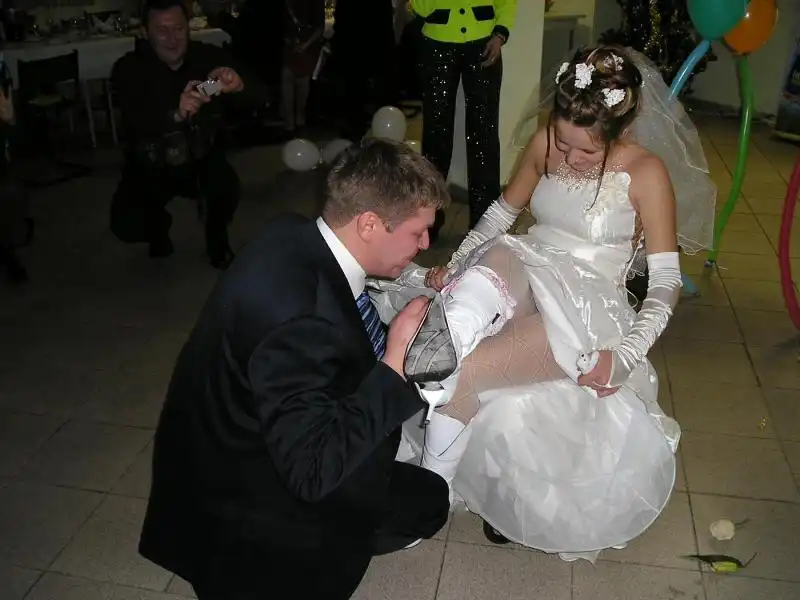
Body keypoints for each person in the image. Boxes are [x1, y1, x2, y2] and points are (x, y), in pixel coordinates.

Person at [370, 46, 716, 562]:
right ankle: (451, 331)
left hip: (583, 309)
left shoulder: (646, 173)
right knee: (505, 251)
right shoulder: (545, 142)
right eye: (562, 141)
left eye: (585, 152)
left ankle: (426, 502)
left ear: (619, 130)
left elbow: (665, 281)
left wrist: (625, 355)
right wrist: (457, 264)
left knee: (467, 374)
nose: (568, 158)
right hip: (528, 266)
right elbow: (500, 216)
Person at [138, 138, 452, 599]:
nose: (425, 243)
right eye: (417, 232)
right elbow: (311, 472)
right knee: (421, 502)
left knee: (427, 496)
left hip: (233, 451)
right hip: (252, 506)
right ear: (368, 224)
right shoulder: (300, 322)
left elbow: (330, 344)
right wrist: (393, 363)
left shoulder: (290, 233)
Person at [110, 0, 264, 269]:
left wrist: (235, 84)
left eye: (179, 28)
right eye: (162, 30)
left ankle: (217, 239)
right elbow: (137, 117)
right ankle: (158, 229)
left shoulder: (206, 57)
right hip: (152, 162)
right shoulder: (128, 68)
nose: (172, 39)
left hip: (201, 157)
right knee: (126, 224)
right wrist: (175, 113)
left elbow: (259, 95)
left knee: (225, 188)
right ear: (145, 32)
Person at [410, 0, 516, 240]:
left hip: (485, 42)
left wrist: (500, 34)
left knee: (484, 135)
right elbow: (421, 7)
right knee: (435, 134)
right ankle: (428, 220)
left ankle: (485, 225)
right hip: (436, 42)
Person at [281, 0, 325, 133]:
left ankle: (297, 122)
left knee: (301, 81)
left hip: (306, 50)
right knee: (289, 79)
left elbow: (319, 28)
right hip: (292, 49)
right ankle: (291, 123)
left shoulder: (312, 5)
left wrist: (305, 45)